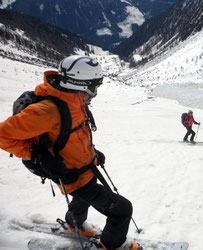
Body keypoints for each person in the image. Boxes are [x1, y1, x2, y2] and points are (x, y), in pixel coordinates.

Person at [0, 55, 139, 250]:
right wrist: (36, 155)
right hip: (69, 174)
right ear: (80, 85)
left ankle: (74, 224)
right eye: (94, 87)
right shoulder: (47, 110)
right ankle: (113, 246)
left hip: (83, 170)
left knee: (83, 198)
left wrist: (92, 153)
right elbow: (2, 135)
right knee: (122, 210)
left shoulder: (74, 102)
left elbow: (72, 136)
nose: (95, 93)